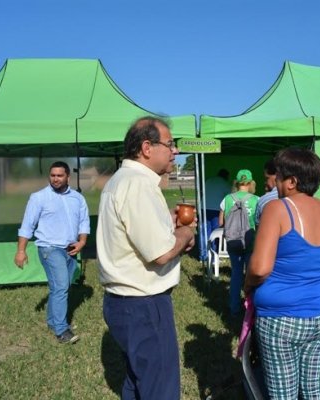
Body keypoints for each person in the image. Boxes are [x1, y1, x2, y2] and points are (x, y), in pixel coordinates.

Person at [96, 116, 195, 400]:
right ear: (147, 147)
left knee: (139, 383)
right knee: (159, 388)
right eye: (170, 144)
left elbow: (144, 239)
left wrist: (169, 227)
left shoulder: (124, 180)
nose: (175, 151)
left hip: (126, 303)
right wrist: (186, 234)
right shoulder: (137, 184)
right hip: (143, 306)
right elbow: (161, 253)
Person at [245, 148, 320, 399]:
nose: (274, 183)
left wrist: (247, 284)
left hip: (281, 319)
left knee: (283, 393)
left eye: (279, 177)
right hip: (319, 314)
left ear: (292, 181)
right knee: (315, 390)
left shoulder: (278, 209)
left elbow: (260, 268)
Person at [14, 161, 90, 344]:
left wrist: (82, 242)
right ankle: (62, 330)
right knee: (62, 286)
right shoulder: (38, 197)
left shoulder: (77, 198)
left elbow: (84, 222)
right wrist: (21, 251)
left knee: (60, 287)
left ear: (68, 177)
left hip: (70, 249)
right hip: (49, 248)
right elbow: (27, 225)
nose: (55, 179)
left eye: (60, 175)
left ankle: (53, 321)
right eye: (53, 175)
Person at [219, 169, 259, 315]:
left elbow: (221, 221)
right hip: (250, 242)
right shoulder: (256, 200)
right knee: (250, 274)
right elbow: (259, 222)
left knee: (236, 273)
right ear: (250, 183)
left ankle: (233, 307)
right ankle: (250, 307)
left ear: (236, 182)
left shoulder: (227, 199)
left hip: (232, 241)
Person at [200, 168, 231, 260]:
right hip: (216, 210)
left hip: (203, 208)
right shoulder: (225, 183)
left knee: (204, 232)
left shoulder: (209, 180)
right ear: (226, 176)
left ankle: (203, 256)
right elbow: (229, 198)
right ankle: (214, 255)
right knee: (216, 233)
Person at [255, 158, 278, 225]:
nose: (266, 182)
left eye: (267, 178)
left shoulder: (264, 200)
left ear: (277, 176)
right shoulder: (302, 198)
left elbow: (258, 225)